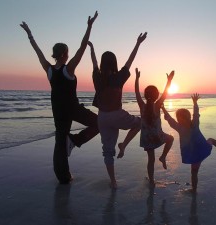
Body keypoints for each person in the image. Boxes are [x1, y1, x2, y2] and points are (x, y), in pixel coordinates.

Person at [20, 11, 99, 184]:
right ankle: (74, 140)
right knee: (99, 123)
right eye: (68, 53)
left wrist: (30, 34)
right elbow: (82, 47)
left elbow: (38, 52)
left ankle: (63, 177)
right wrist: (89, 26)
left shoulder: (49, 70)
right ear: (64, 54)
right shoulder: (68, 69)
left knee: (59, 141)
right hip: (72, 108)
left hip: (58, 109)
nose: (70, 55)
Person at [88, 32, 147, 189]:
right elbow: (130, 60)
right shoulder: (118, 77)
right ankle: (124, 145)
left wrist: (91, 49)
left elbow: (93, 63)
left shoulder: (97, 77)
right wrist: (138, 43)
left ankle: (113, 181)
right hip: (117, 115)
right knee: (140, 123)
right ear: (114, 63)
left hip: (102, 117)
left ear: (102, 63)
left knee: (108, 151)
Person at [162, 93, 216, 193]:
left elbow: (170, 119)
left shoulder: (180, 128)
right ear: (188, 117)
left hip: (192, 153)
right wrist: (194, 103)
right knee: (211, 140)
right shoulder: (194, 124)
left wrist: (163, 108)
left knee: (194, 172)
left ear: (179, 119)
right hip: (202, 149)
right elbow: (195, 114)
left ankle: (194, 190)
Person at [134, 68, 174, 186]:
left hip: (147, 138)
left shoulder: (142, 105)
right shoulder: (157, 105)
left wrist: (137, 79)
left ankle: (152, 181)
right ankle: (163, 157)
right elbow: (166, 92)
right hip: (157, 136)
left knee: (151, 160)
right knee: (171, 139)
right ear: (157, 95)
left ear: (145, 96)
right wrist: (169, 80)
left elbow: (136, 92)